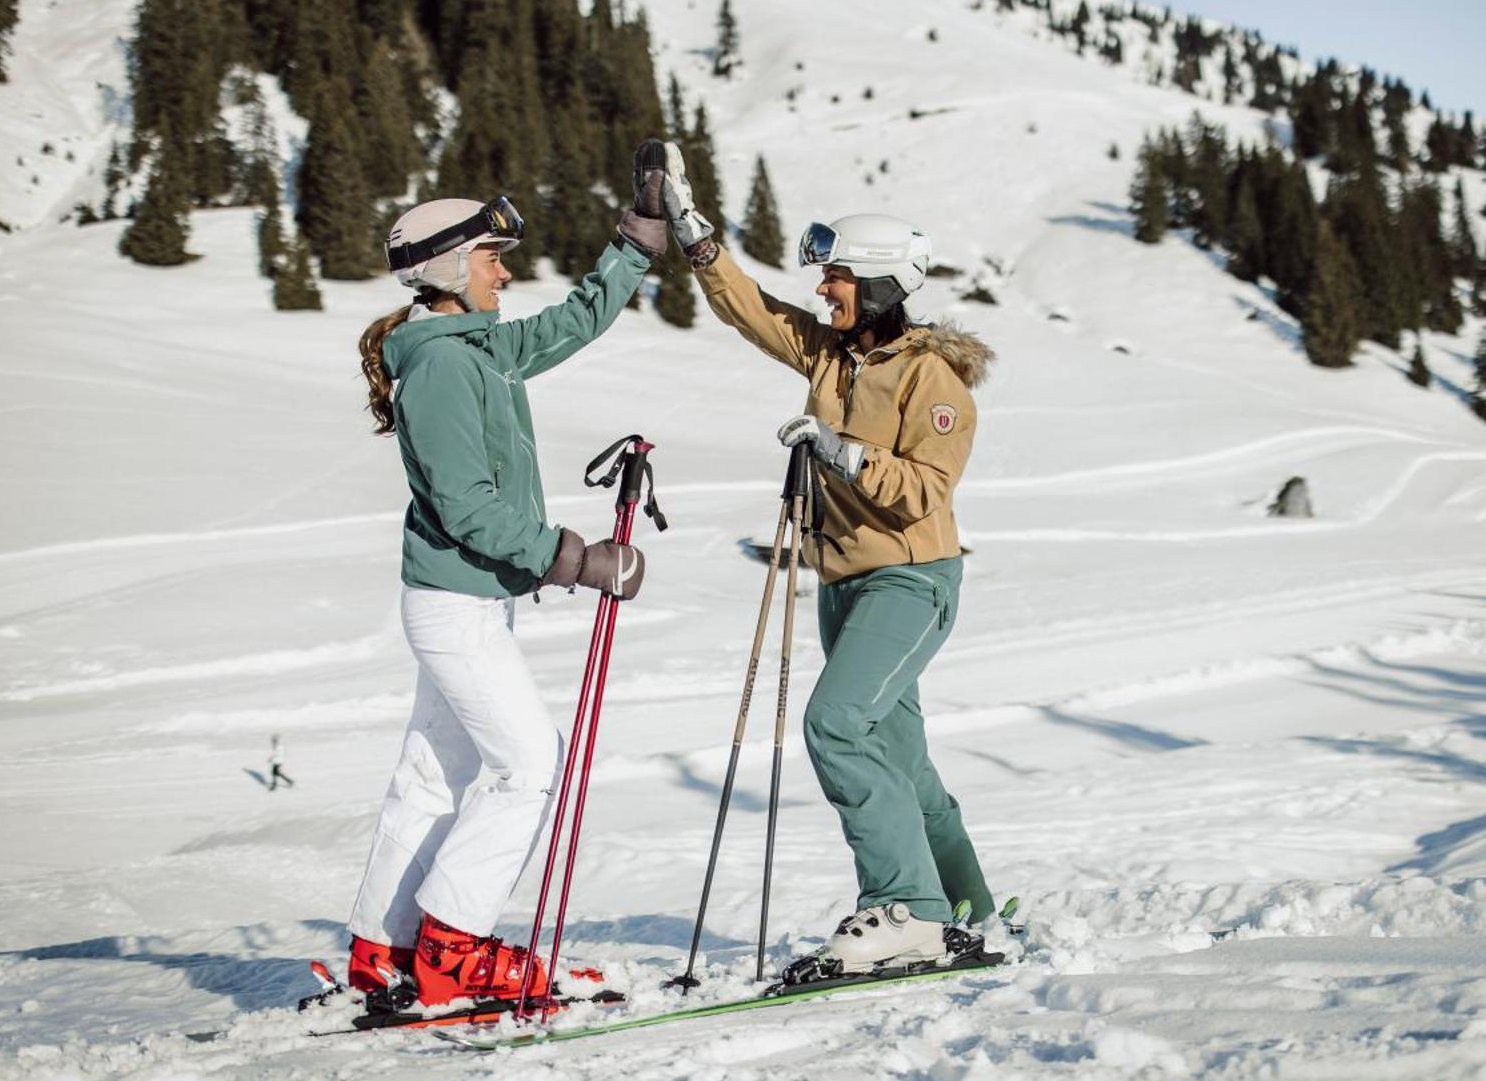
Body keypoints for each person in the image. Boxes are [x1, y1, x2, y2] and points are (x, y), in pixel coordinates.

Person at [632, 140, 997, 973]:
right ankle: (970, 911)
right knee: (902, 760)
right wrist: (695, 236)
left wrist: (842, 452)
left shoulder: (931, 380)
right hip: (847, 587)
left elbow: (924, 492)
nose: (821, 288)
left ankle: (905, 908)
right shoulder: (833, 353)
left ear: (873, 283)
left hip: (911, 582)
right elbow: (750, 309)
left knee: (834, 723)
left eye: (834, 277)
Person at [345, 193, 665, 1006]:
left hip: (462, 600)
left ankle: (383, 948)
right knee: (528, 764)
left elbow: (568, 325)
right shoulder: (448, 365)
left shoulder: (475, 347)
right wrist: (578, 559)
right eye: (492, 256)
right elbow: (469, 509)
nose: (505, 270)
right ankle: (452, 948)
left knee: (434, 773)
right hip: (458, 606)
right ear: (449, 266)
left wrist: (633, 242)